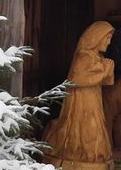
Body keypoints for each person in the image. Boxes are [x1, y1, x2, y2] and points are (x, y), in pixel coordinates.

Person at [45, 21, 116, 164]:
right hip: (82, 101)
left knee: (96, 126)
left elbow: (109, 82)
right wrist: (102, 73)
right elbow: (76, 80)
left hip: (94, 99)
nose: (108, 43)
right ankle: (81, 155)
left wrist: (108, 68)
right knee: (87, 127)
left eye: (110, 39)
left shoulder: (99, 59)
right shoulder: (83, 56)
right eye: (107, 38)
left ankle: (94, 156)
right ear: (97, 37)